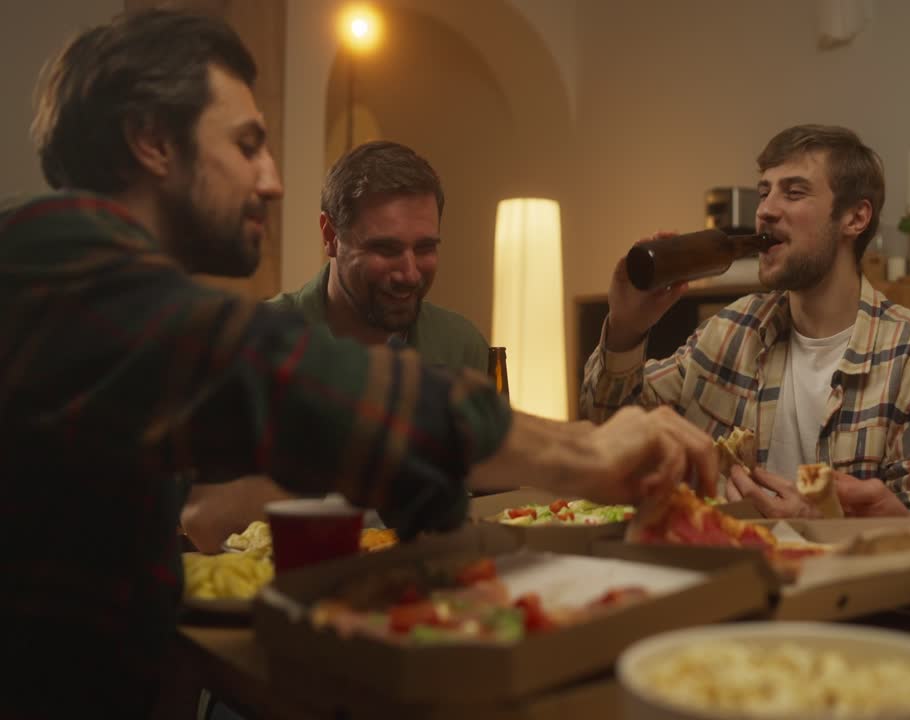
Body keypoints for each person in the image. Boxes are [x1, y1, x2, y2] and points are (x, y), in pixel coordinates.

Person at [0, 9, 716, 716]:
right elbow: (282, 378)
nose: (272, 179)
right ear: (152, 141)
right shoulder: (49, 265)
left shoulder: (92, 289)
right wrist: (582, 447)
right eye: (248, 144)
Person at [581, 124, 910, 519]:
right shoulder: (729, 333)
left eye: (794, 192)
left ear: (855, 218)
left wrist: (825, 528)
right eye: (764, 192)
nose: (765, 211)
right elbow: (612, 435)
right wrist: (626, 330)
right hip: (727, 574)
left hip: (840, 581)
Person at [181, 141, 489, 552]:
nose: (410, 273)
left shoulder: (461, 344)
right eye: (386, 248)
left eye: (425, 248)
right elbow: (202, 522)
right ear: (330, 235)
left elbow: (479, 500)